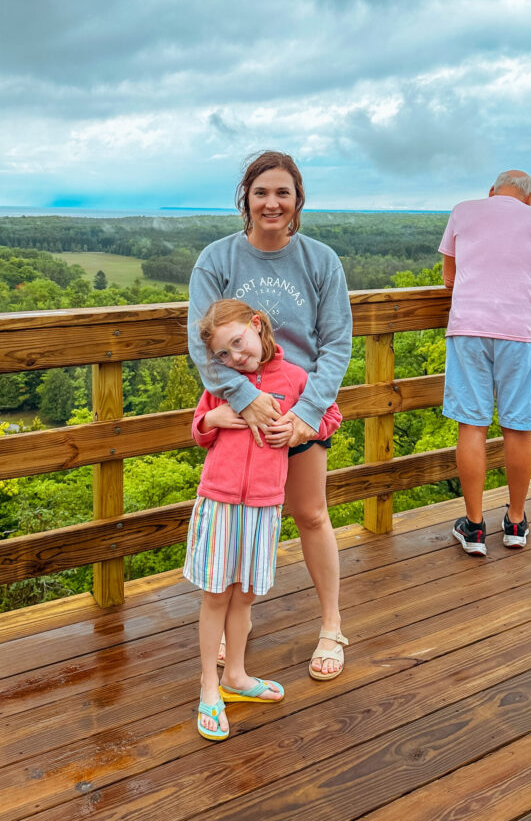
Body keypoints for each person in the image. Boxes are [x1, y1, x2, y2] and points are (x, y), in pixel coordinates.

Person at [187, 150, 352, 680]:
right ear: (247, 200)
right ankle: (240, 623)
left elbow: (337, 344)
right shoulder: (217, 259)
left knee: (310, 515)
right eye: (261, 193)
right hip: (241, 419)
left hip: (299, 411)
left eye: (282, 192)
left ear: (298, 200)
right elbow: (200, 345)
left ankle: (331, 625)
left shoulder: (320, 260)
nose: (272, 203)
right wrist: (244, 399)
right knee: (242, 522)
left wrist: (305, 413)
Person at [186, 299, 342, 740]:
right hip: (219, 501)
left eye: (238, 342)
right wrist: (213, 418)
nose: (234, 357)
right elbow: (199, 429)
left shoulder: (295, 379)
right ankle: (208, 687)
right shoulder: (224, 384)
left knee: (246, 596)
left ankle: (235, 676)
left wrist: (300, 426)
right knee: (217, 595)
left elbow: (330, 414)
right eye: (223, 354)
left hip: (265, 505)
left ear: (257, 325)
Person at [440, 169, 531, 556]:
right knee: (518, 426)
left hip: (469, 329)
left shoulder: (463, 211)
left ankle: (474, 528)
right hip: (523, 333)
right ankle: (515, 521)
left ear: (492, 192)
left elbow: (448, 278)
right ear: (529, 198)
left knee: (472, 425)